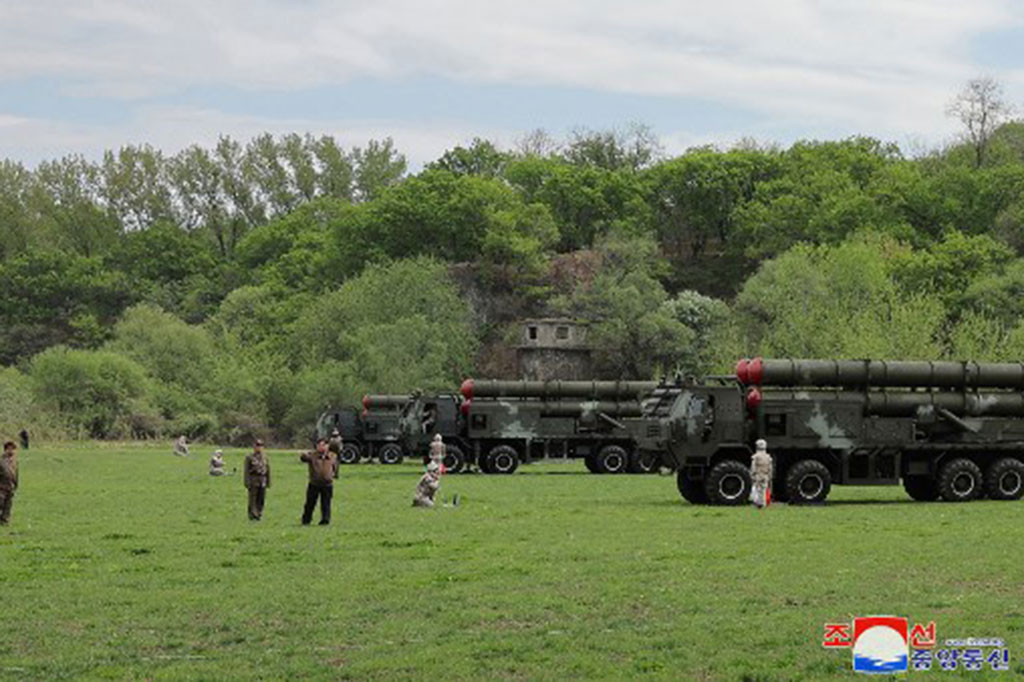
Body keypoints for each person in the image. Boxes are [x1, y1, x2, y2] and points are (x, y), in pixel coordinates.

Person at [300, 438, 337, 526]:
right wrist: (303, 454)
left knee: (326, 503)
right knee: (310, 503)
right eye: (319, 445)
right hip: (314, 484)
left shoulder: (332, 456)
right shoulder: (313, 455)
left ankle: (325, 520)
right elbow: (303, 458)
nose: (321, 447)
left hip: (327, 484)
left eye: (323, 445)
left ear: (327, 446)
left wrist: (333, 475)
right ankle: (306, 520)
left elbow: (335, 467)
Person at [243, 440, 271, 520]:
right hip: (253, 479)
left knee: (261, 498)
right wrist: (246, 482)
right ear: (254, 447)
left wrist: (268, 481)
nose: (259, 447)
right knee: (252, 499)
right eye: (257, 445)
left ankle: (259, 513)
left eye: (261, 446)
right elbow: (246, 471)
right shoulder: (249, 457)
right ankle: (252, 514)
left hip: (262, 480)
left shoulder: (265, 457)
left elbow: (268, 470)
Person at [749, 439, 773, 509]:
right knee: (764, 489)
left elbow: (753, 466)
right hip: (765, 475)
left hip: (758, 474)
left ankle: (758, 503)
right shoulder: (768, 457)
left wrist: (752, 474)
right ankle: (763, 503)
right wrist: (770, 475)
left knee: (757, 489)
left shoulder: (755, 456)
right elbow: (770, 467)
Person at [0, 441, 18, 526]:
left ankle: (4, 521)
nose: (11, 451)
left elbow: (16, 474)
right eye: (9, 449)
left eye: (13, 449)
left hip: (10, 486)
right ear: (5, 450)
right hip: (1, 486)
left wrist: (16, 485)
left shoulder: (14, 462)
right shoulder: (1, 461)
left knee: (8, 505)